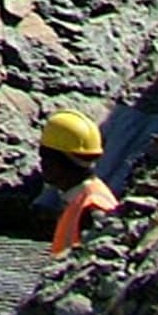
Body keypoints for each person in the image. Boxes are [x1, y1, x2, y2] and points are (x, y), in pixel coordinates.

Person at [40, 109, 118, 256]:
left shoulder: (92, 209)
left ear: (59, 161)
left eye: (46, 157)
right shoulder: (81, 198)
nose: (42, 164)